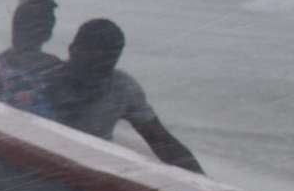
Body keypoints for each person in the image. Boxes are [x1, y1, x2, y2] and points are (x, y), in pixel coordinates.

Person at [37, 18, 202, 171]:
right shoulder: (44, 81)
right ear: (72, 50)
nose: (98, 72)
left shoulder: (122, 88)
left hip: (95, 172)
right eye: (92, 61)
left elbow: (162, 142)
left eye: (107, 64)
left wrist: (206, 185)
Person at [0, 0, 61, 113]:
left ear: (15, 26)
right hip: (40, 128)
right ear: (47, 32)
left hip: (8, 121)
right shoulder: (53, 65)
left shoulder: (5, 60)